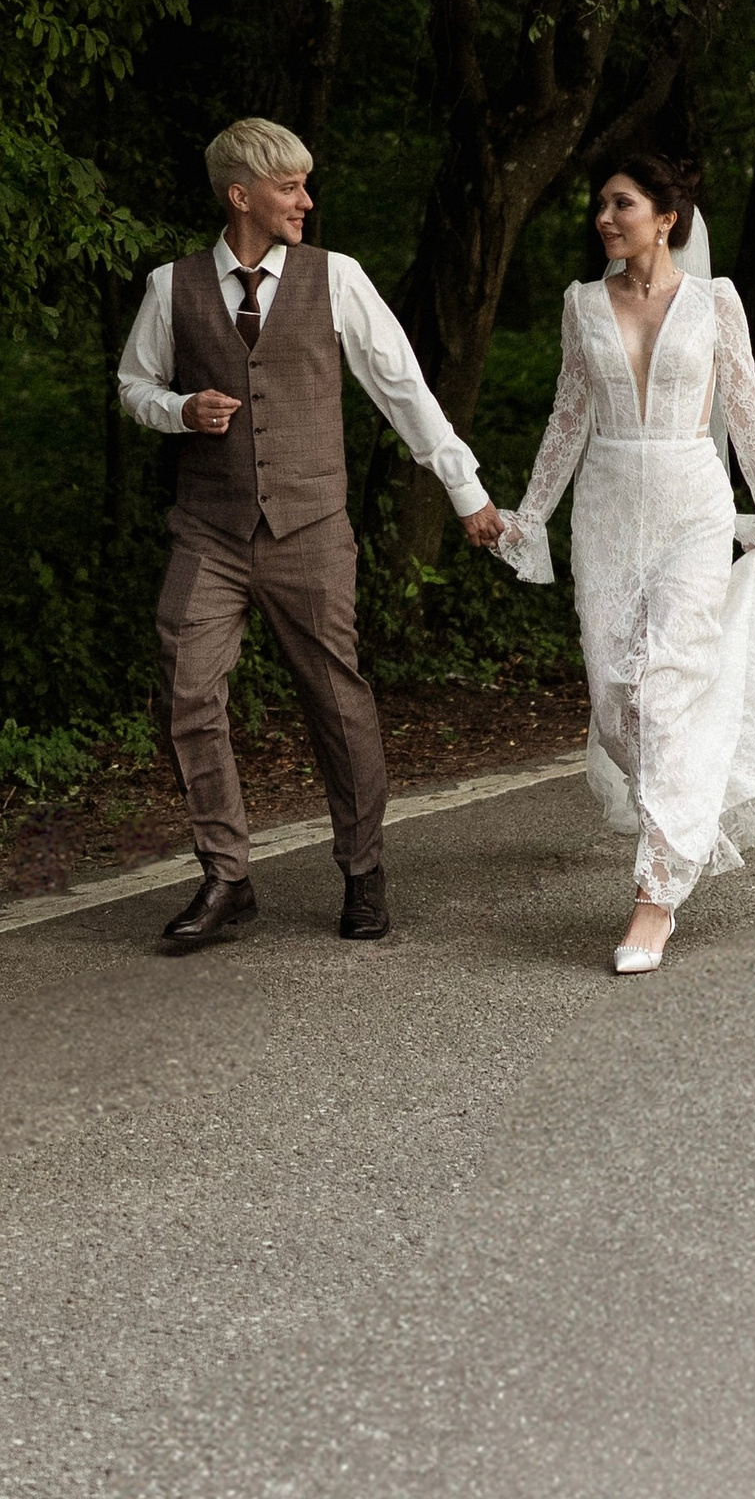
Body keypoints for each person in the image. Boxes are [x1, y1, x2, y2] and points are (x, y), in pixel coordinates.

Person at [117, 118, 504, 952]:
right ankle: (227, 876)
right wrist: (179, 409)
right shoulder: (170, 286)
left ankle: (363, 873)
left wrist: (464, 489)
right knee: (186, 689)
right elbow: (133, 385)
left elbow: (403, 390)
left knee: (337, 698)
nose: (306, 201)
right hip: (209, 531)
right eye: (291, 187)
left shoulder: (339, 279)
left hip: (313, 528)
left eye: (305, 184)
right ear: (241, 195)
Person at [494, 152, 755, 972]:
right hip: (608, 509)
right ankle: (687, 807)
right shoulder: (582, 305)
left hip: (693, 503)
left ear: (667, 218)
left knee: (668, 685)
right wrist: (530, 518)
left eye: (621, 205)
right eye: (600, 206)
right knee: (617, 693)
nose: (603, 218)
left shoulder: (717, 302)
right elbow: (567, 416)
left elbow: (745, 405)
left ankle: (655, 896)